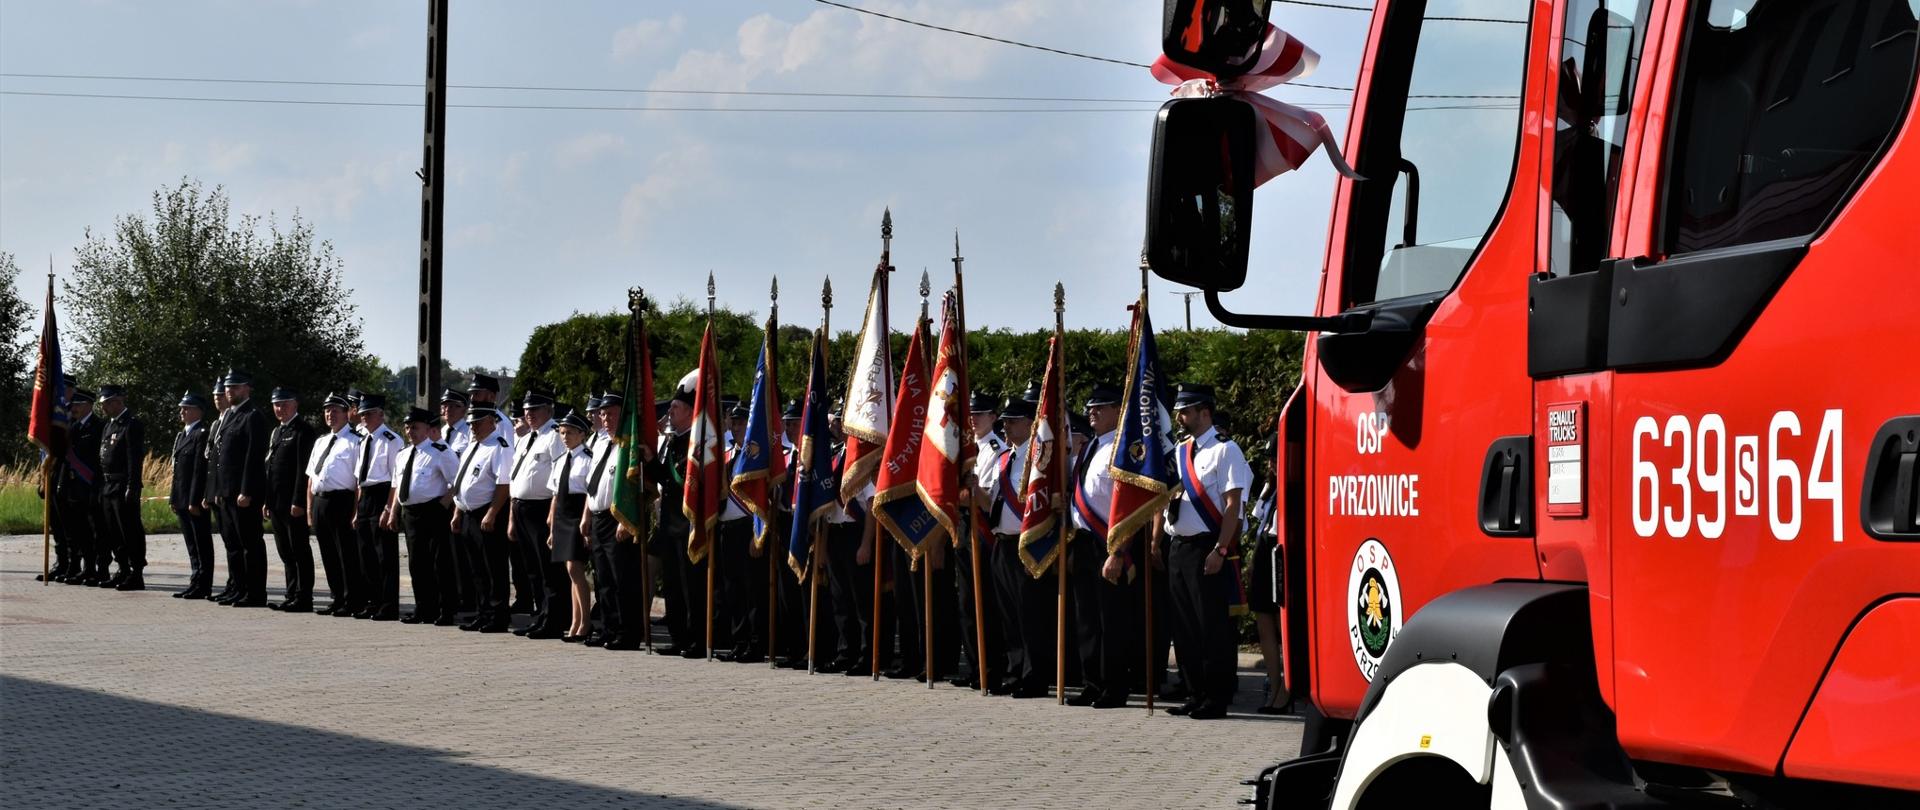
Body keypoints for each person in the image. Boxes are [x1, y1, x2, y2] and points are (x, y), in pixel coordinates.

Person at [1155, 382, 1252, 720]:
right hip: (1179, 546)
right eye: (1179, 411)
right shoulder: (1181, 450)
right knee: (1184, 627)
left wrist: (1221, 549)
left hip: (1207, 547)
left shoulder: (1226, 450)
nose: (1180, 417)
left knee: (1211, 625)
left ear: (1204, 412)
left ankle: (1215, 697)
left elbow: (1233, 505)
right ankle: (1194, 692)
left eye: (1186, 411)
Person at [1068, 384, 1136, 708]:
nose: (1092, 412)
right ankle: (1092, 683)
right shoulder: (1088, 448)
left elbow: (1129, 508)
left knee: (1112, 621)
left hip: (1108, 542)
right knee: (1087, 619)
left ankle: (1115, 687)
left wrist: (1118, 552)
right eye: (1090, 407)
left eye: (1101, 407)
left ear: (1117, 411)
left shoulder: (1122, 449)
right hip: (1083, 541)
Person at [980, 389, 1052, 698]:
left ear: (1029, 423)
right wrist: (973, 489)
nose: (1006, 427)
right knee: (1008, 614)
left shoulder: (1037, 460)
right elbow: (992, 505)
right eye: (1005, 422)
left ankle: (1034, 677)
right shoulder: (1004, 458)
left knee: (1030, 615)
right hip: (1002, 543)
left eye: (1012, 421)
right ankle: (1015, 671)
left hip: (1026, 544)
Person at [950, 392, 1006, 689]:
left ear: (993, 417)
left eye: (980, 414)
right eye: (971, 414)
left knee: (985, 602)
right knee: (966, 601)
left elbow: (985, 500)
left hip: (982, 529)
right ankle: (974, 666)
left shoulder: (996, 450)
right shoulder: (964, 448)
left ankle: (991, 667)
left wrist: (964, 492)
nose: (973, 419)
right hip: (963, 526)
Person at [386, 407, 460, 626]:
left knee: (440, 562)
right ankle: (424, 608)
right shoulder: (403, 455)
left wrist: (443, 505)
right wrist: (393, 512)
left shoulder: (440, 452)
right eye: (408, 427)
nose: (411, 431)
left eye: (415, 427)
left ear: (428, 429)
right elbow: (398, 486)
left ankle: (446, 610)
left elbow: (456, 482)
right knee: (417, 564)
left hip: (433, 512)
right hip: (410, 514)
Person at [585, 393, 646, 650]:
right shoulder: (600, 443)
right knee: (604, 579)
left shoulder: (628, 446)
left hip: (617, 518)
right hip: (598, 517)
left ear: (623, 415)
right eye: (602, 414)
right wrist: (586, 515)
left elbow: (632, 487)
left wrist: (626, 520)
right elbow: (592, 484)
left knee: (623, 579)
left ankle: (628, 632)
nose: (605, 418)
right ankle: (609, 628)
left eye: (610, 413)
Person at [822, 406, 878, 676]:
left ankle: (866, 655)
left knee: (861, 599)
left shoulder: (862, 460)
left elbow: (871, 506)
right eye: (836, 421)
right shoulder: (835, 457)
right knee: (840, 597)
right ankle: (846, 652)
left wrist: (866, 544)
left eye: (842, 421)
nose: (837, 426)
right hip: (835, 532)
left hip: (855, 533)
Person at [449, 404, 514, 633]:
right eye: (471, 424)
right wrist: (458, 512)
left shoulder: (499, 446)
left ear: (491, 421)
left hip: (487, 514)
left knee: (493, 567)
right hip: (468, 513)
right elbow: (462, 483)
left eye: (477, 423)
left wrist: (492, 513)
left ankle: (498, 616)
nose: (473, 428)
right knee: (476, 568)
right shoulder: (472, 446)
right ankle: (483, 612)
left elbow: (503, 484)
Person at [508, 391, 566, 639]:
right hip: (521, 507)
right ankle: (540, 615)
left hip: (542, 508)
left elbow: (559, 477)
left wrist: (553, 513)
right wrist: (512, 517)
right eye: (526, 410)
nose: (529, 414)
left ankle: (554, 619)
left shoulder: (554, 436)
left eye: (534, 409)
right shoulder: (525, 439)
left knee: (548, 568)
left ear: (548, 410)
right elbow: (515, 477)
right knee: (532, 567)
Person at [212, 369, 272, 607]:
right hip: (227, 492)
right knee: (233, 544)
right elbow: (221, 458)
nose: (230, 391)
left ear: (247, 389)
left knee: (250, 544)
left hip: (242, 493)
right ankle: (238, 587)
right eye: (228, 387)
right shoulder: (229, 415)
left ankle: (255, 593)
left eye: (235, 386)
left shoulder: (253, 416)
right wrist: (219, 490)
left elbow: (253, 458)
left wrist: (246, 490)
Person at [715, 401, 767, 663]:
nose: (736, 427)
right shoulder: (726, 455)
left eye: (741, 422)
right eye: (733, 422)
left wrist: (758, 535)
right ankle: (739, 641)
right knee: (732, 588)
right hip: (727, 529)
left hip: (748, 527)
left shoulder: (755, 456)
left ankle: (756, 644)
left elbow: (762, 498)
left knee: (752, 589)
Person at [306, 392, 364, 616]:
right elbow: (311, 478)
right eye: (327, 410)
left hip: (342, 501)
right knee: (328, 553)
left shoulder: (356, 441)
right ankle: (337, 597)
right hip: (320, 501)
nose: (330, 414)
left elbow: (358, 481)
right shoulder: (321, 441)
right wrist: (310, 509)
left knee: (346, 553)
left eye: (335, 411)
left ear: (347, 413)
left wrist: (356, 510)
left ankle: (352, 600)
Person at [352, 394, 405, 621]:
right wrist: (357, 510)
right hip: (365, 497)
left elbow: (396, 479)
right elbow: (359, 479)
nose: (364, 417)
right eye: (362, 413)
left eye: (369, 413)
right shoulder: (362, 439)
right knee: (366, 555)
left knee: (385, 555)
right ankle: (373, 601)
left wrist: (389, 509)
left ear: (381, 414)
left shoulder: (392, 440)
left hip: (383, 495)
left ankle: (388, 605)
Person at [265, 387, 318, 612]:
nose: (280, 408)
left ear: (295, 404)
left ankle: (303, 596)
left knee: (299, 550)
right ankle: (291, 593)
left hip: (292, 503)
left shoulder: (303, 431)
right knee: (285, 551)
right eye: (276, 404)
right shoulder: (278, 431)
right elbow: (271, 469)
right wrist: (267, 500)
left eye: (284, 403)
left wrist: (299, 501)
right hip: (277, 502)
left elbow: (302, 471)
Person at [546, 407, 595, 643]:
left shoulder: (588, 459)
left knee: (576, 570)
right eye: (562, 433)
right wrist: (552, 525)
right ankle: (575, 622)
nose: (565, 437)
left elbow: (589, 493)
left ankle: (585, 623)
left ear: (582, 434)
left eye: (570, 433)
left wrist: (586, 520)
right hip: (563, 517)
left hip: (578, 515)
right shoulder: (560, 460)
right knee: (570, 571)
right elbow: (555, 494)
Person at [96, 384, 146, 591]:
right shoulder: (108, 425)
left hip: (123, 485)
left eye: (106, 403)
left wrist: (132, 488)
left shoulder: (131, 424)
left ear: (117, 401)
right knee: (114, 532)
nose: (103, 407)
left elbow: (134, 460)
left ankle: (136, 573)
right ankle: (123, 568)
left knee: (129, 531)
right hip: (108, 485)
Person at [59, 388, 107, 586]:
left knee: (97, 531)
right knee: (79, 531)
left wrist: (97, 486)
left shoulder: (99, 427)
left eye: (78, 405)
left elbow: (100, 461)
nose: (74, 408)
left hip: (91, 486)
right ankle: (87, 568)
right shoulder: (72, 427)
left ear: (89, 405)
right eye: (73, 405)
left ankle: (101, 570)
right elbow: (66, 458)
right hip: (74, 487)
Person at [170, 391, 214, 599]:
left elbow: (199, 470)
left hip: (193, 500)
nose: (182, 411)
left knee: (201, 543)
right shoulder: (182, 435)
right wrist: (174, 498)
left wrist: (194, 500)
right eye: (182, 408)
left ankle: (203, 584)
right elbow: (177, 471)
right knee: (191, 544)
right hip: (181, 497)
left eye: (186, 408)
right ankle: (195, 580)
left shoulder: (201, 433)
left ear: (198, 411)